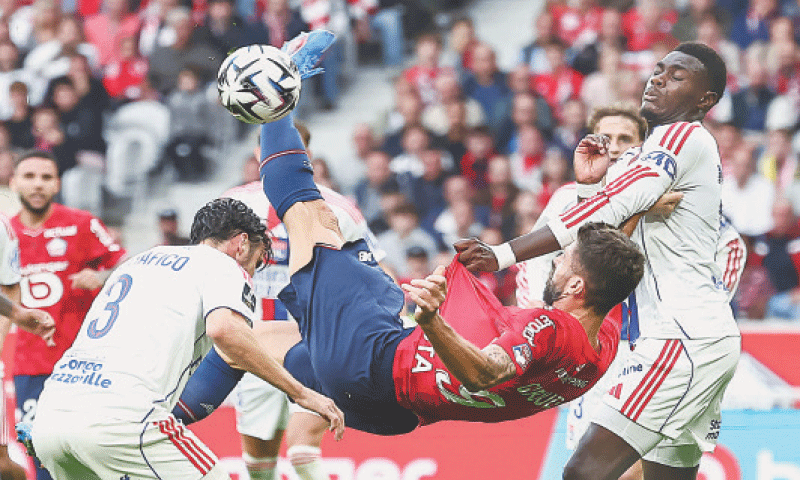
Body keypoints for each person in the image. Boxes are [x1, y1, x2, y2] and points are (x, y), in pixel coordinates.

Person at [162, 32, 647, 440]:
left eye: (564, 263)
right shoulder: (601, 341)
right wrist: (604, 186)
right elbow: (613, 253)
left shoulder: (550, 330)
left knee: (312, 218)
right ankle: (170, 425)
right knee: (254, 340)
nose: (556, 265)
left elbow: (487, 372)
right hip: (391, 415)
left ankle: (276, 91)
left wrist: (432, 320)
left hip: (374, 359)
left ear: (578, 286)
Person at [457, 42, 741, 480]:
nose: (659, 78)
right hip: (693, 338)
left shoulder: (683, 136)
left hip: (679, 338)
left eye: (677, 76)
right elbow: (604, 232)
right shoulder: (659, 153)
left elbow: (612, 207)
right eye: (659, 69)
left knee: (584, 473)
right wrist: (590, 188)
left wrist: (501, 253)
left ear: (705, 100)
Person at [25, 197, 344, 480]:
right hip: (120, 422)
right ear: (241, 243)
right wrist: (302, 394)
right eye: (256, 262)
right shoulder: (224, 266)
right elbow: (226, 334)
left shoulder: (137, 262)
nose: (253, 274)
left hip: (51, 419)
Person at [516, 104, 745, 480]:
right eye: (607, 138)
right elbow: (534, 265)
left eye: (627, 139)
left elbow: (723, 267)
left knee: (635, 469)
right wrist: (546, 324)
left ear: (645, 147)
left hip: (666, 349)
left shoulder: (689, 210)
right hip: (595, 351)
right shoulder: (570, 198)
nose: (617, 147)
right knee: (591, 465)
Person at [9, 150, 128, 480]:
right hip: (29, 364)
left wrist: (101, 277)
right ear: (13, 181)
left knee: (91, 452)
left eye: (46, 178)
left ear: (58, 183)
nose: (38, 185)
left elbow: (128, 266)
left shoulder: (81, 224)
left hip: (83, 364)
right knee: (39, 452)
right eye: (30, 177)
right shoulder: (6, 235)